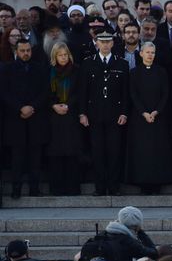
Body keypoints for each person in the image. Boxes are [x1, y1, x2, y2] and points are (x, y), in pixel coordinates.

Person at [79, 31, 129, 196]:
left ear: (113, 43)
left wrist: (124, 112)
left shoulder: (121, 63)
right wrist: (82, 113)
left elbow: (125, 92)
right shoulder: (87, 63)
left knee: (114, 152)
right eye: (102, 42)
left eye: (108, 42)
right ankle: (100, 187)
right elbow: (83, 92)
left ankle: (114, 187)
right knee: (97, 151)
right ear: (97, 43)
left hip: (115, 115)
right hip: (94, 115)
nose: (106, 45)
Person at [124, 42, 172, 194]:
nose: (150, 55)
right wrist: (144, 112)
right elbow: (133, 94)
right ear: (141, 53)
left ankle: (157, 183)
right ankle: (142, 183)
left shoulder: (161, 72)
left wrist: (156, 111)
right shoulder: (134, 72)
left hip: (158, 118)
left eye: (153, 52)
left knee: (158, 151)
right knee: (142, 151)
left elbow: (165, 93)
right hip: (140, 119)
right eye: (147, 52)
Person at [2, 39, 50, 199]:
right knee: (17, 158)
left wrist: (32, 107)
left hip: (36, 119)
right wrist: (20, 108)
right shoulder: (7, 69)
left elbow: (45, 91)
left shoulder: (40, 69)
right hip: (15, 120)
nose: (26, 53)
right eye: (22, 51)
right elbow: (4, 93)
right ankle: (16, 189)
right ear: (16, 51)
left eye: (28, 50)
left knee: (35, 157)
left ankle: (34, 189)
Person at [47, 42, 82, 196]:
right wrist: (54, 105)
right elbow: (45, 92)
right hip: (54, 118)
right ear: (55, 56)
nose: (63, 57)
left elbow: (80, 92)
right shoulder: (49, 71)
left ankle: (73, 188)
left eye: (65, 54)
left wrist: (68, 105)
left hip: (72, 116)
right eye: (60, 55)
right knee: (56, 153)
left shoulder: (76, 71)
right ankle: (57, 188)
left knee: (72, 152)